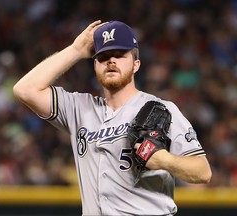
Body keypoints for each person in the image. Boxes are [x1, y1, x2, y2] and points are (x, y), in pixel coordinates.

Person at [13, 20, 212, 216]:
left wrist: (165, 161)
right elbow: (25, 90)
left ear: (136, 65)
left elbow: (203, 172)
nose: (111, 61)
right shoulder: (79, 109)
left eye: (119, 55)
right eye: (103, 56)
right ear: (95, 65)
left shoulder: (161, 110)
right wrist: (76, 50)